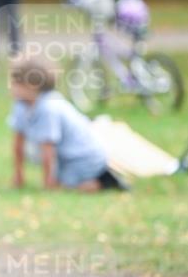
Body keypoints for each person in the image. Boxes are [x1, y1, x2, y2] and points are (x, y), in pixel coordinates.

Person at [9, 58, 127, 192]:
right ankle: (74, 179)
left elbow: (48, 150)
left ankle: (104, 182)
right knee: (32, 151)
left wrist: (48, 185)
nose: (11, 86)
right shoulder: (21, 104)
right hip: (65, 157)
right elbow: (18, 142)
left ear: (33, 85)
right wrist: (18, 175)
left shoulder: (49, 108)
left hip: (84, 158)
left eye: (16, 82)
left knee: (64, 188)